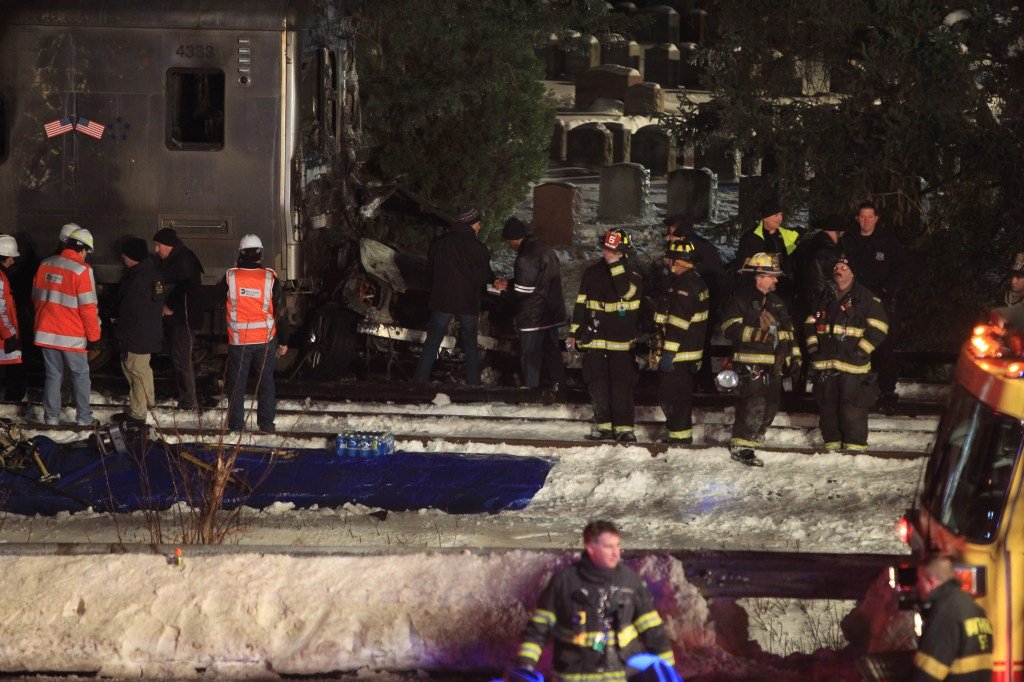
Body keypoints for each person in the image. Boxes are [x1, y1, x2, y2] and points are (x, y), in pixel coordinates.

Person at [515, 520, 676, 680]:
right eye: (608, 547)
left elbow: (653, 630)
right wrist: (525, 666)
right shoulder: (564, 582)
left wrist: (668, 671)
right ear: (591, 548)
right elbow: (539, 628)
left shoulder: (630, 581)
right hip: (573, 676)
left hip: (621, 676)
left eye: (617, 545)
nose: (616, 553)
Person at [720, 253, 801, 466]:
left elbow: (787, 334)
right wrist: (758, 334)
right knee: (752, 405)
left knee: (771, 406)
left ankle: (754, 440)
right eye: (771, 276)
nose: (776, 280)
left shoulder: (777, 303)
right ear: (757, 277)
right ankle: (742, 447)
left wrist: (795, 358)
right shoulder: (739, 300)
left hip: (773, 367)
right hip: (749, 365)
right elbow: (728, 328)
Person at [804, 257, 889, 452]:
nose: (838, 270)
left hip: (853, 366)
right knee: (827, 407)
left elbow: (880, 327)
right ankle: (832, 446)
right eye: (836, 267)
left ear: (853, 273)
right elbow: (809, 324)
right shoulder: (823, 296)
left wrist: (861, 350)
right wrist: (813, 348)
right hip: (825, 364)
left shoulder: (866, 299)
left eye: (844, 267)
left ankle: (854, 449)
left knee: (853, 408)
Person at [570, 229, 643, 442]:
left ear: (623, 252)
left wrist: (615, 265)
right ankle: (604, 427)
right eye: (606, 249)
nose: (607, 253)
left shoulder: (633, 275)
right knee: (597, 385)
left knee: (621, 386)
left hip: (621, 344)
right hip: (595, 341)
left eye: (613, 250)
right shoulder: (592, 273)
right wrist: (574, 333)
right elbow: (581, 305)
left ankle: (624, 429)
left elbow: (624, 292)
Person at [413, 208, 495, 386]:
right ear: (472, 224)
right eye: (478, 224)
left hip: (442, 300)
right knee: (470, 344)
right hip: (468, 303)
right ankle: (473, 384)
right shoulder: (478, 248)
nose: (479, 228)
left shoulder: (439, 244)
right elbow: (483, 278)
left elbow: (430, 272)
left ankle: (419, 381)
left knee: (433, 340)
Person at [33, 227, 101, 426]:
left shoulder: (45, 264)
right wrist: (94, 337)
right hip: (71, 336)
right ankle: (84, 419)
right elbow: (88, 308)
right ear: (83, 250)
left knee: (53, 374)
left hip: (45, 332)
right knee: (80, 375)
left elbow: (35, 298)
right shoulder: (82, 270)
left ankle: (51, 418)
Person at [224, 234, 290, 433]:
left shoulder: (231, 277)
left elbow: (216, 301)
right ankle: (267, 425)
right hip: (265, 340)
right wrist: (284, 341)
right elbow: (281, 312)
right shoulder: (270, 278)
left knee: (237, 384)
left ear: (241, 253)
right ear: (260, 254)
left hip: (239, 341)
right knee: (266, 382)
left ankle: (236, 427)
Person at [494, 217, 566, 390]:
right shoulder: (545, 248)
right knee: (552, 353)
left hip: (534, 317)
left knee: (530, 356)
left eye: (508, 242)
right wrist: (510, 283)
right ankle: (560, 389)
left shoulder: (525, 257)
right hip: (551, 313)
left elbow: (523, 291)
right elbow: (540, 280)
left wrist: (505, 290)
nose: (509, 246)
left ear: (513, 239)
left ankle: (531, 392)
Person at [844, 201, 902, 412]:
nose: (866, 221)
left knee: (883, 346)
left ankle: (887, 392)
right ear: (857, 219)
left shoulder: (888, 243)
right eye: (862, 216)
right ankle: (853, 389)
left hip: (879, 304)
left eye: (870, 216)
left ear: (876, 219)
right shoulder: (848, 242)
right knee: (852, 342)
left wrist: (886, 292)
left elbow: (900, 270)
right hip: (853, 303)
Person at [653, 238, 709, 444]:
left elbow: (678, 323)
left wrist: (668, 353)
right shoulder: (695, 282)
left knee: (673, 397)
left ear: (675, 262)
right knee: (680, 397)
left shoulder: (684, 286)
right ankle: (679, 435)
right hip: (689, 352)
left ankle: (679, 437)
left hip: (678, 354)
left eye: (670, 260)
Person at [663, 213, 727, 393]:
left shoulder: (686, 249)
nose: (669, 235)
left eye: (671, 230)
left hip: (692, 305)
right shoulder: (703, 245)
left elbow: (679, 279)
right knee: (701, 345)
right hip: (706, 303)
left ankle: (697, 383)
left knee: (691, 344)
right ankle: (703, 383)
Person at [912, 555, 993, 682]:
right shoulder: (975, 608)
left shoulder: (945, 611)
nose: (917, 585)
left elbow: (926, 674)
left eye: (919, 579)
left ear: (931, 582)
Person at [114, 237, 165, 425]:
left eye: (125, 254)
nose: (122, 257)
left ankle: (138, 415)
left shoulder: (137, 278)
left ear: (132, 256)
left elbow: (129, 310)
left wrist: (118, 328)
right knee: (142, 370)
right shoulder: (153, 274)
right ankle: (147, 405)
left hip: (136, 334)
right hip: (148, 331)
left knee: (136, 371)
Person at [153, 227, 205, 409]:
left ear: (168, 245)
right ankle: (186, 398)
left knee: (181, 359)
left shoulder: (183, 261)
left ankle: (189, 401)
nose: (156, 250)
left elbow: (188, 292)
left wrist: (171, 308)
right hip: (182, 318)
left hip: (184, 319)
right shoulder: (180, 259)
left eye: (158, 245)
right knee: (180, 358)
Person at [734, 197, 800, 286]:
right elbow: (742, 267)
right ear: (765, 218)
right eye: (776, 215)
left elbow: (792, 261)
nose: (780, 219)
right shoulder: (750, 238)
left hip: (782, 284)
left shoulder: (786, 236)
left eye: (781, 215)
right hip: (759, 285)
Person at [0, 235, 23, 398]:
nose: (13, 261)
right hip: (4, 337)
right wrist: (10, 334)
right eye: (10, 257)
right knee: (11, 379)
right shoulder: (0, 279)